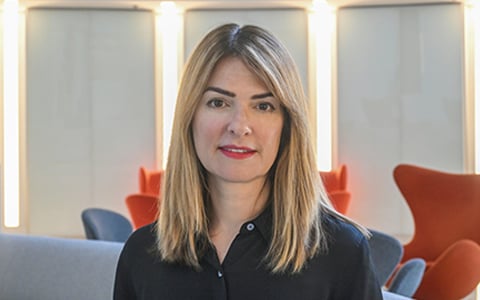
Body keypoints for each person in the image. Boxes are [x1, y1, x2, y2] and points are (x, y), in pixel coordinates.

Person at [114, 23, 383, 300]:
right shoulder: (141, 254)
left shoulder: (342, 251)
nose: (239, 126)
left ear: (287, 126)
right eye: (218, 103)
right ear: (190, 117)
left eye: (263, 106)